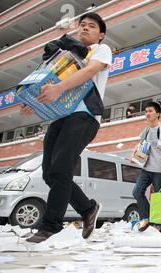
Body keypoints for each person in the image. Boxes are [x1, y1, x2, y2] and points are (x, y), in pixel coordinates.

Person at [22, 12, 112, 243]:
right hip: (59, 116)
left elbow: (90, 71)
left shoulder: (101, 50)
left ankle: (50, 227)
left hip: (85, 115)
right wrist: (32, 100)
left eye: (91, 26)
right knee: (49, 174)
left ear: (100, 34)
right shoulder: (64, 55)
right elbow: (45, 79)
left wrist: (59, 88)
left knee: (61, 169)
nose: (84, 29)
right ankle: (88, 209)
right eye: (82, 25)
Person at [130, 102, 161, 231]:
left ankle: (159, 226)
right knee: (137, 192)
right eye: (146, 111)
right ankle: (147, 219)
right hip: (146, 169)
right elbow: (139, 145)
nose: (147, 113)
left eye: (150, 111)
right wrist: (134, 154)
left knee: (159, 197)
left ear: (158, 114)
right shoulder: (146, 130)